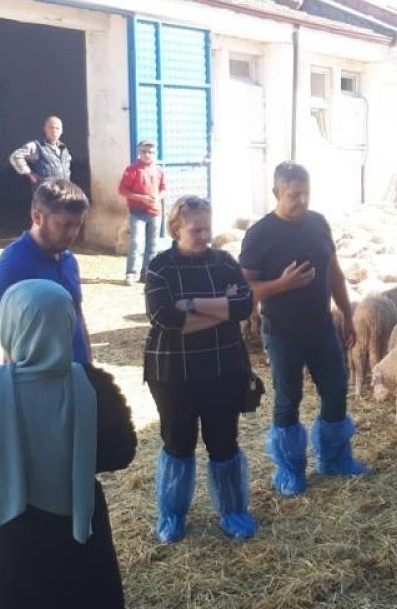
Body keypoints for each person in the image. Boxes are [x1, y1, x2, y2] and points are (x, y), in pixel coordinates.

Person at [0, 279, 136, 608]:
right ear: (67, 323)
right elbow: (121, 453)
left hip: (8, 537)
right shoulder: (93, 385)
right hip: (78, 532)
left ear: (10, 326)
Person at [239, 161, 366, 497]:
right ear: (277, 192)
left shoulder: (318, 223)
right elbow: (244, 289)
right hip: (282, 331)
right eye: (293, 194)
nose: (301, 200)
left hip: (322, 326)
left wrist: (347, 316)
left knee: (336, 390)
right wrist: (282, 284)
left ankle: (334, 459)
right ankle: (291, 470)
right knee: (288, 399)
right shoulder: (260, 233)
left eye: (306, 193)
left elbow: (334, 272)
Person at [144, 196, 257, 543]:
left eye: (208, 227)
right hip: (172, 373)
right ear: (176, 228)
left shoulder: (224, 261)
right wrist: (218, 309)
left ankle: (233, 512)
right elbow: (164, 316)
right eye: (197, 229)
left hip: (222, 367)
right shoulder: (160, 267)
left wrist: (191, 304)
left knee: (224, 441)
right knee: (178, 442)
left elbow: (244, 306)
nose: (205, 235)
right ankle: (173, 515)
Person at [0, 179, 92, 365]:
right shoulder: (13, 264)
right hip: (39, 380)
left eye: (78, 225)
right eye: (65, 225)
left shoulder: (68, 260)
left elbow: (78, 315)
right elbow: (8, 336)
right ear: (37, 217)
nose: (73, 233)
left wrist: (90, 370)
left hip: (75, 374)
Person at [117, 140, 166, 285]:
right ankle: (131, 273)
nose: (147, 155)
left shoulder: (159, 170)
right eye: (144, 151)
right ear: (139, 152)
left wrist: (159, 197)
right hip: (137, 212)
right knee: (137, 242)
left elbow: (164, 188)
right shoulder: (132, 170)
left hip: (155, 212)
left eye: (150, 152)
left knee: (153, 244)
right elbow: (122, 190)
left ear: (155, 153)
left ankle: (148, 273)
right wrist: (141, 198)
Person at [9, 116, 71, 185]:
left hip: (64, 191)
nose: (54, 131)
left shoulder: (64, 149)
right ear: (45, 129)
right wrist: (30, 174)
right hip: (46, 192)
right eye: (51, 127)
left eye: (57, 128)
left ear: (62, 131)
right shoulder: (36, 146)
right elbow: (15, 156)